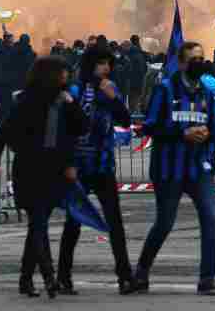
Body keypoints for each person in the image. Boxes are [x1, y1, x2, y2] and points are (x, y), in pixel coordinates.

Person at [0, 56, 89, 299]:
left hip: (54, 171)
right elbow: (3, 133)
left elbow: (82, 128)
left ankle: (25, 279)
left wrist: (72, 104)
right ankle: (49, 277)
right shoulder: (27, 102)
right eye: (62, 73)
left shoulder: (64, 101)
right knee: (38, 224)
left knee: (37, 227)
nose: (66, 77)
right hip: (30, 170)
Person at [131, 41, 215, 296]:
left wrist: (209, 131)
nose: (199, 63)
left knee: (210, 217)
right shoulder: (165, 90)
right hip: (168, 168)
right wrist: (181, 133)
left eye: (202, 58)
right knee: (165, 222)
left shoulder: (207, 92)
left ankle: (207, 279)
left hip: (198, 168)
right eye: (194, 59)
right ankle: (141, 272)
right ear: (181, 63)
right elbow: (150, 126)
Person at [57, 50, 136, 296]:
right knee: (74, 222)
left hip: (102, 165)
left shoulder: (109, 88)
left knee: (115, 222)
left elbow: (125, 119)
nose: (106, 68)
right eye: (101, 63)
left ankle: (125, 277)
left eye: (108, 63)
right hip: (78, 166)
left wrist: (114, 99)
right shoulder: (76, 90)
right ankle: (63, 277)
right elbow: (64, 128)